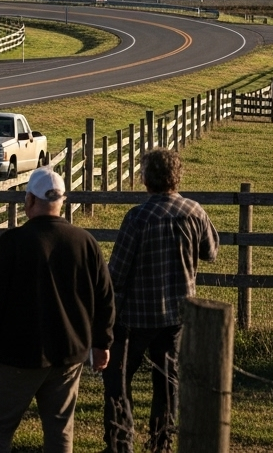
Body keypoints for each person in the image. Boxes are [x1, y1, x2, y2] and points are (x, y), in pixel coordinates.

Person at [0, 166, 114, 453]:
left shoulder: (12, 243)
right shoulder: (85, 242)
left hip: (17, 357)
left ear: (30, 200)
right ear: (62, 201)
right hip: (69, 355)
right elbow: (105, 298)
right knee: (60, 432)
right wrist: (102, 343)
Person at [102, 148, 219, 453]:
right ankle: (161, 442)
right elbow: (211, 252)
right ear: (176, 176)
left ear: (146, 179)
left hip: (135, 317)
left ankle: (120, 443)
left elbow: (117, 273)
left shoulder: (137, 217)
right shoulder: (195, 211)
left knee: (118, 380)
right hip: (177, 316)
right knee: (167, 383)